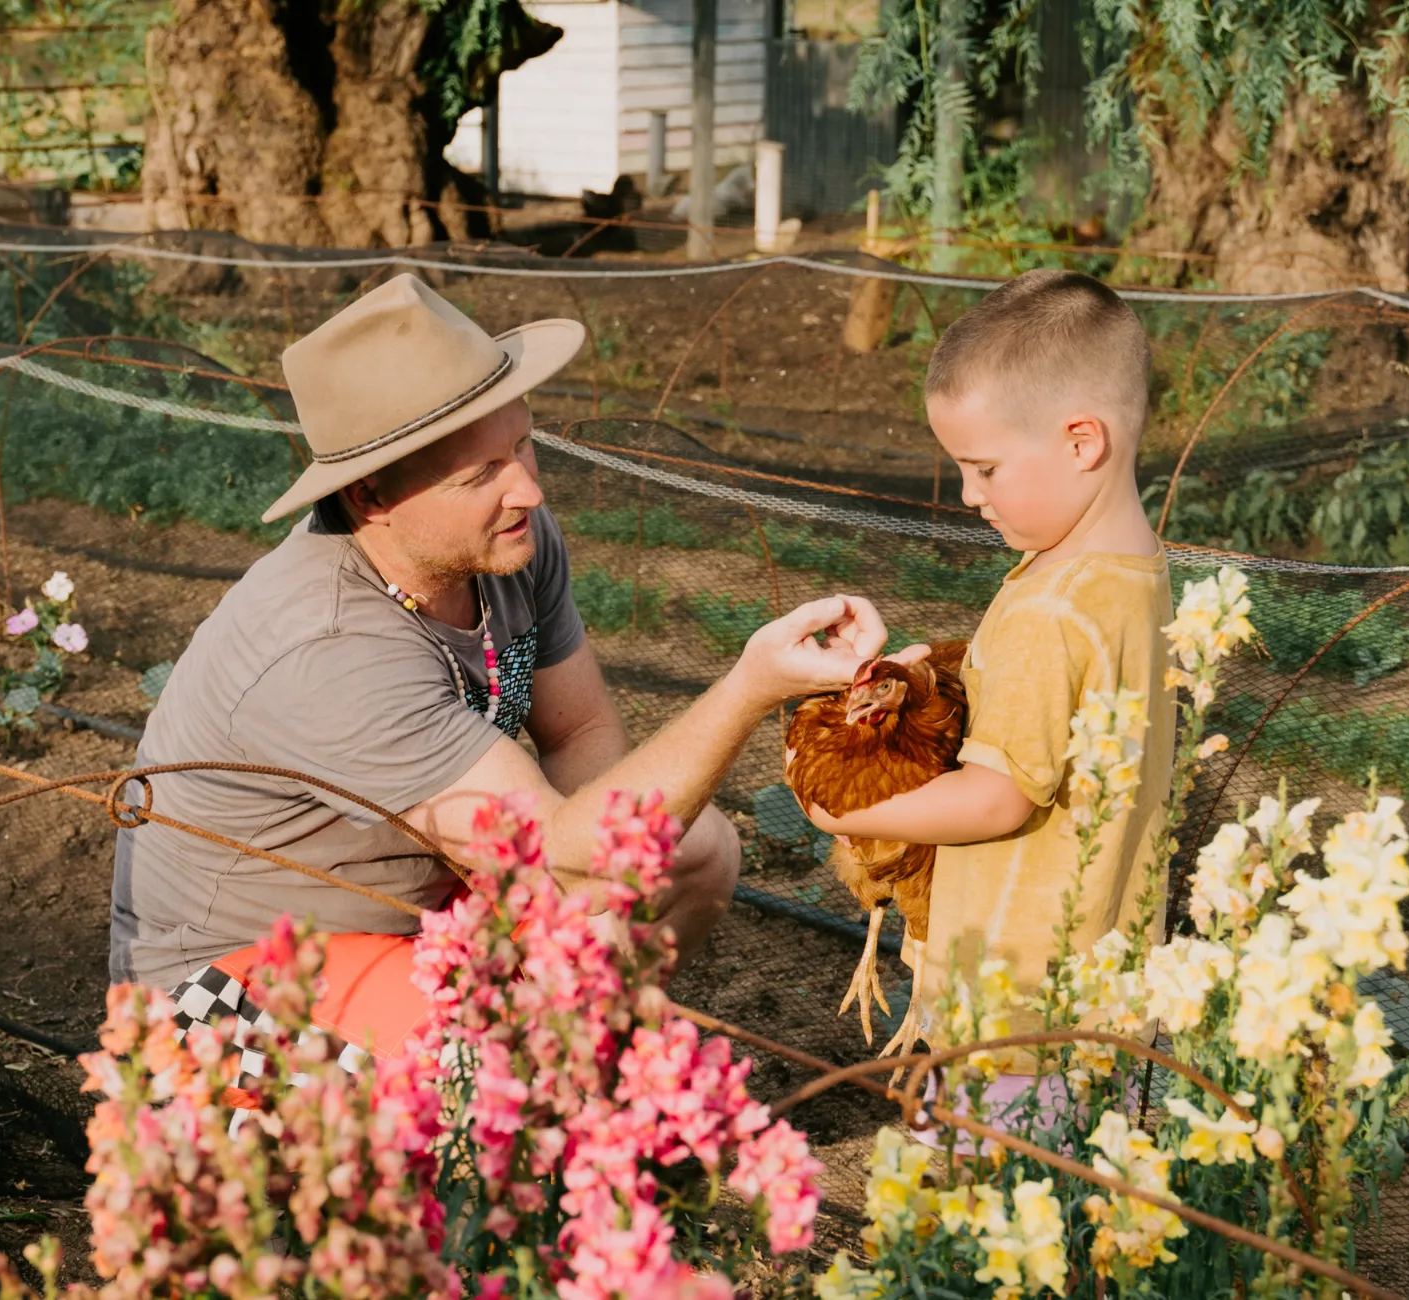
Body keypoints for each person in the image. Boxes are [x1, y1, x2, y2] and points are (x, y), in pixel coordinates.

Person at [112, 272, 884, 1067]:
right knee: (488, 1071)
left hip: (426, 900)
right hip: (242, 975)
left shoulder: (506, 545)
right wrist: (746, 689)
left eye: (520, 443)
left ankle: (574, 1087)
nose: (528, 487)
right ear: (374, 495)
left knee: (694, 854)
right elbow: (557, 853)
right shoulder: (328, 650)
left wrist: (590, 916)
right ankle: (527, 1111)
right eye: (479, 475)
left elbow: (580, 731)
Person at [801, 268, 1176, 1130]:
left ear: (1082, 441)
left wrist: (851, 816)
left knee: (977, 1207)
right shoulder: (1132, 573)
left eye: (985, 468)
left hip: (1010, 999)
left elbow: (1001, 795)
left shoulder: (1052, 609)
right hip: (1100, 979)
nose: (970, 494)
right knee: (1073, 1207)